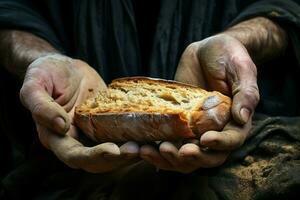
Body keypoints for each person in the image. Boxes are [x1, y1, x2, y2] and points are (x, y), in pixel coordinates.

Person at [0, 0, 300, 199]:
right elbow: (10, 9)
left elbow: (287, 6)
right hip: (59, 177)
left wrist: (240, 42)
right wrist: (41, 59)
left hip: (240, 165)